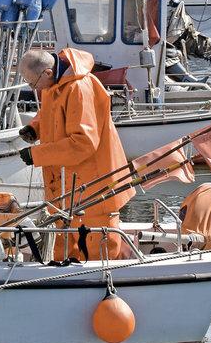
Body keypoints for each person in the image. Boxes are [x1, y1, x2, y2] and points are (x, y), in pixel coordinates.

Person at [17, 47, 131, 261]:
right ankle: (60, 277)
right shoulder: (55, 83)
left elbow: (84, 143)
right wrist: (34, 128)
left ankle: (104, 283)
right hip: (67, 184)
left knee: (99, 245)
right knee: (62, 239)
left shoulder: (79, 87)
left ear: (47, 73)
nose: (32, 88)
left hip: (94, 184)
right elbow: (52, 113)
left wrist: (37, 154)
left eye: (32, 83)